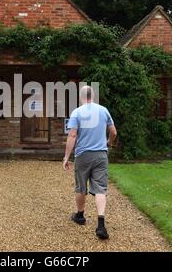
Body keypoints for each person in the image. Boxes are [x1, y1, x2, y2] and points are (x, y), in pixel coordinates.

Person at [63, 85, 117, 240]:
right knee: (100, 188)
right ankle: (101, 224)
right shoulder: (103, 110)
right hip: (101, 155)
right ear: (93, 96)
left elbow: (72, 135)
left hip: (83, 156)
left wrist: (66, 157)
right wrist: (109, 143)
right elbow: (114, 132)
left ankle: (80, 216)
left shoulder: (77, 112)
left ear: (80, 97)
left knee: (81, 186)